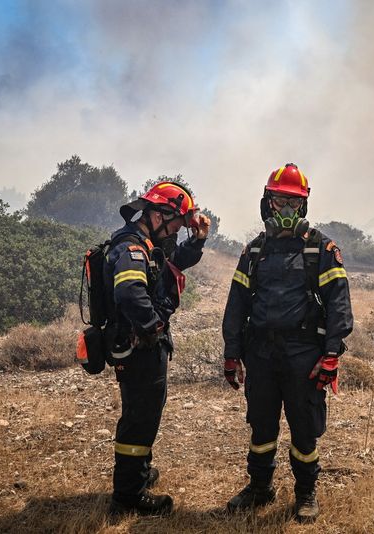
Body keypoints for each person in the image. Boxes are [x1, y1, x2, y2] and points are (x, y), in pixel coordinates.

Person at [221, 163, 353, 523]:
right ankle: (260, 487)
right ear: (268, 204)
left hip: (304, 353)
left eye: (294, 203)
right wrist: (232, 353)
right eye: (280, 202)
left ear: (304, 207)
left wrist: (331, 355)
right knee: (261, 426)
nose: (287, 210)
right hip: (261, 353)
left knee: (304, 426)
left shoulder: (320, 248)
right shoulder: (254, 251)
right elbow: (237, 306)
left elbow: (339, 303)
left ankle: (306, 493)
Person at [106, 182, 210, 516]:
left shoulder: (147, 245)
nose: (180, 228)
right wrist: (152, 327)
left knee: (145, 412)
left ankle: (138, 473)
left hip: (144, 346)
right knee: (140, 417)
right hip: (140, 348)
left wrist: (199, 239)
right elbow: (130, 293)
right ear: (157, 214)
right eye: (178, 222)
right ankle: (128, 496)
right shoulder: (133, 248)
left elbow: (174, 265)